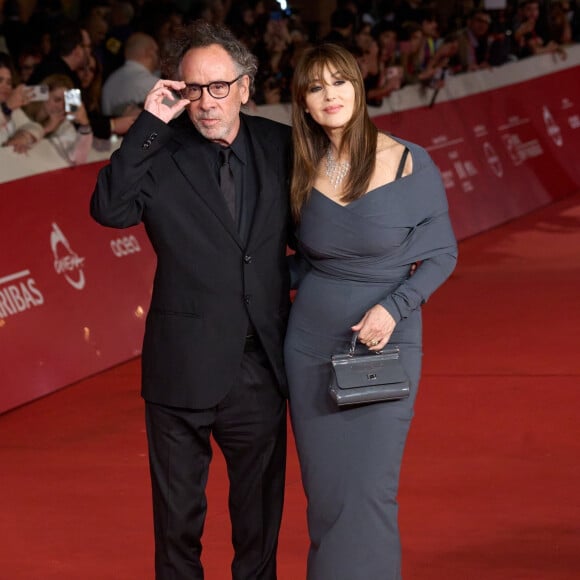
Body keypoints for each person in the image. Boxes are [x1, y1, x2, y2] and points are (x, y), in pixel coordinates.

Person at [90, 20, 292, 580]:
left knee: (259, 522)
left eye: (219, 87)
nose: (206, 103)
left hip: (259, 367)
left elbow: (312, 236)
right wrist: (151, 121)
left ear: (246, 86)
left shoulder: (281, 147)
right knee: (178, 525)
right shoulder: (158, 151)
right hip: (181, 369)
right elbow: (109, 209)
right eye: (193, 89)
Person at [285, 43, 458, 579]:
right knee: (328, 497)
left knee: (370, 491)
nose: (330, 95)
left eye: (339, 82)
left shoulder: (408, 161)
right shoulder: (297, 168)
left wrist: (395, 306)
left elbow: (442, 254)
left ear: (359, 88)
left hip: (388, 344)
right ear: (304, 103)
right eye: (316, 87)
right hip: (311, 345)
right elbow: (293, 261)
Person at [100, 32, 160, 116]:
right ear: (149, 52)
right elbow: (179, 113)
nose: (158, 56)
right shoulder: (154, 85)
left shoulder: (109, 82)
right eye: (157, 51)